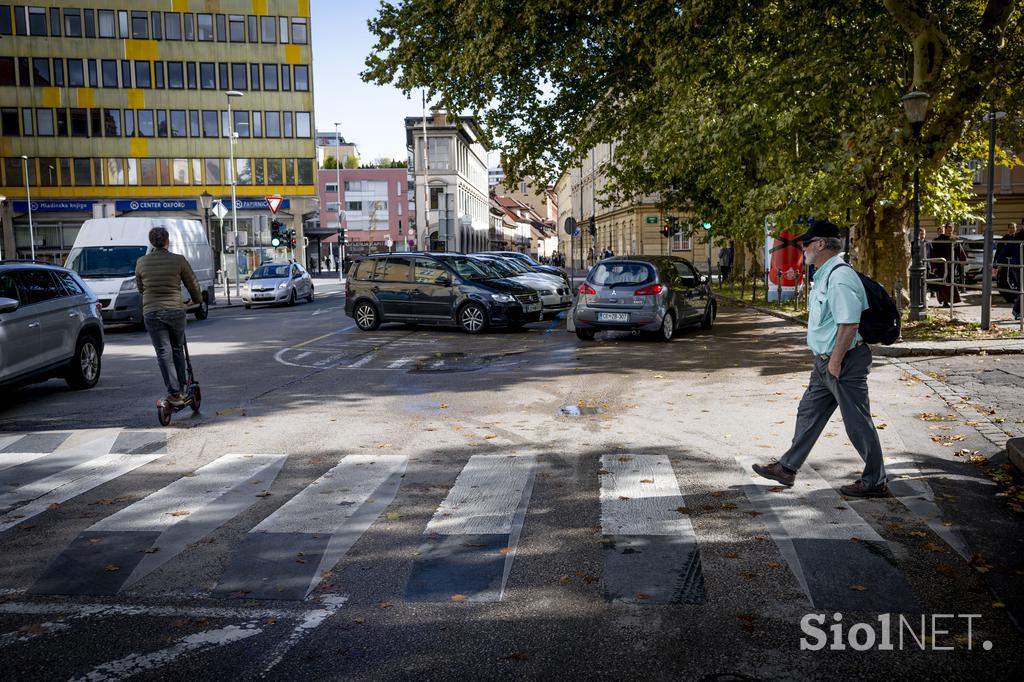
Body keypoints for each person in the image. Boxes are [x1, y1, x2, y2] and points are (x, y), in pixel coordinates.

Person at [751, 220, 888, 498]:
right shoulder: (824, 275)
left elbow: (849, 324)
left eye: (807, 243)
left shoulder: (840, 276)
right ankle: (787, 468)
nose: (803, 248)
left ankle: (875, 480)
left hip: (844, 361)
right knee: (809, 412)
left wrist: (835, 362)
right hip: (825, 361)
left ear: (821, 244)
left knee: (857, 423)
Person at [135, 227, 202, 407]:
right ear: (167, 241)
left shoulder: (141, 262)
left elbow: (140, 288)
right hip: (175, 310)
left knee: (164, 353)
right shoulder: (178, 260)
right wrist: (196, 300)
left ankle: (173, 393)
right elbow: (192, 283)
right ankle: (181, 388)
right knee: (177, 349)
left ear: (151, 242)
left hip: (152, 312)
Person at [929, 224, 965, 306]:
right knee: (943, 283)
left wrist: (963, 259)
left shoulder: (954, 239)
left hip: (951, 265)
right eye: (948, 230)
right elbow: (934, 254)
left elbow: (959, 250)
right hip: (941, 265)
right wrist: (934, 266)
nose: (950, 231)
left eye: (951, 230)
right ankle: (945, 301)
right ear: (945, 229)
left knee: (951, 283)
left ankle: (951, 300)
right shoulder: (939, 240)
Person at [994, 223, 1018, 304]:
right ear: (1008, 229)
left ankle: (1015, 297)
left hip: (1015, 263)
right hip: (1005, 262)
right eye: (1010, 228)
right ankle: (1009, 297)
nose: (1012, 229)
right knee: (1004, 280)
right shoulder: (1004, 239)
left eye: (1013, 228)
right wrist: (997, 264)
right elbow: (999, 252)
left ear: (1016, 229)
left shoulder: (1018, 238)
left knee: (1014, 280)